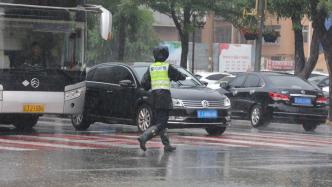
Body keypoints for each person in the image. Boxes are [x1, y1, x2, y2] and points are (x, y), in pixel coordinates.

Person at [137, 46, 186, 152]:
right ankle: (144, 137)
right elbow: (180, 76)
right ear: (165, 55)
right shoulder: (167, 67)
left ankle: (167, 145)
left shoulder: (151, 67)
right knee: (161, 123)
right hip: (164, 97)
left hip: (154, 98)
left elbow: (144, 83)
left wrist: (152, 84)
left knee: (161, 121)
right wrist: (179, 77)